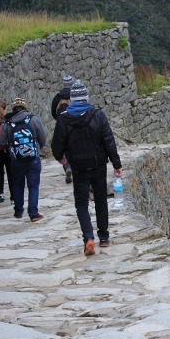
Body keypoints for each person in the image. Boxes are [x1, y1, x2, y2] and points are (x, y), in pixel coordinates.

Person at [51, 80, 123, 256]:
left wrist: (60, 157)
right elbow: (109, 141)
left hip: (78, 168)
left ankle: (88, 238)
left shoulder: (64, 119)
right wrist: (116, 164)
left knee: (81, 204)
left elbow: (57, 144)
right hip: (98, 165)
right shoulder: (98, 115)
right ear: (86, 98)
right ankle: (104, 238)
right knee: (100, 200)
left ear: (73, 100)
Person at [0, 97, 47, 221]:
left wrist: (10, 146)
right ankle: (33, 213)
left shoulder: (7, 123)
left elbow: (0, 142)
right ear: (24, 107)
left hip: (16, 160)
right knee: (33, 186)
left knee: (18, 185)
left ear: (13, 108)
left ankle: (18, 212)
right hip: (33, 158)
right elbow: (43, 138)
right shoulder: (33, 119)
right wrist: (37, 147)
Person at [52, 75, 75, 184]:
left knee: (64, 148)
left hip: (61, 124)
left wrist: (59, 120)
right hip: (73, 124)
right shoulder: (74, 95)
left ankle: (67, 167)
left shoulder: (58, 97)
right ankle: (74, 168)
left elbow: (53, 111)